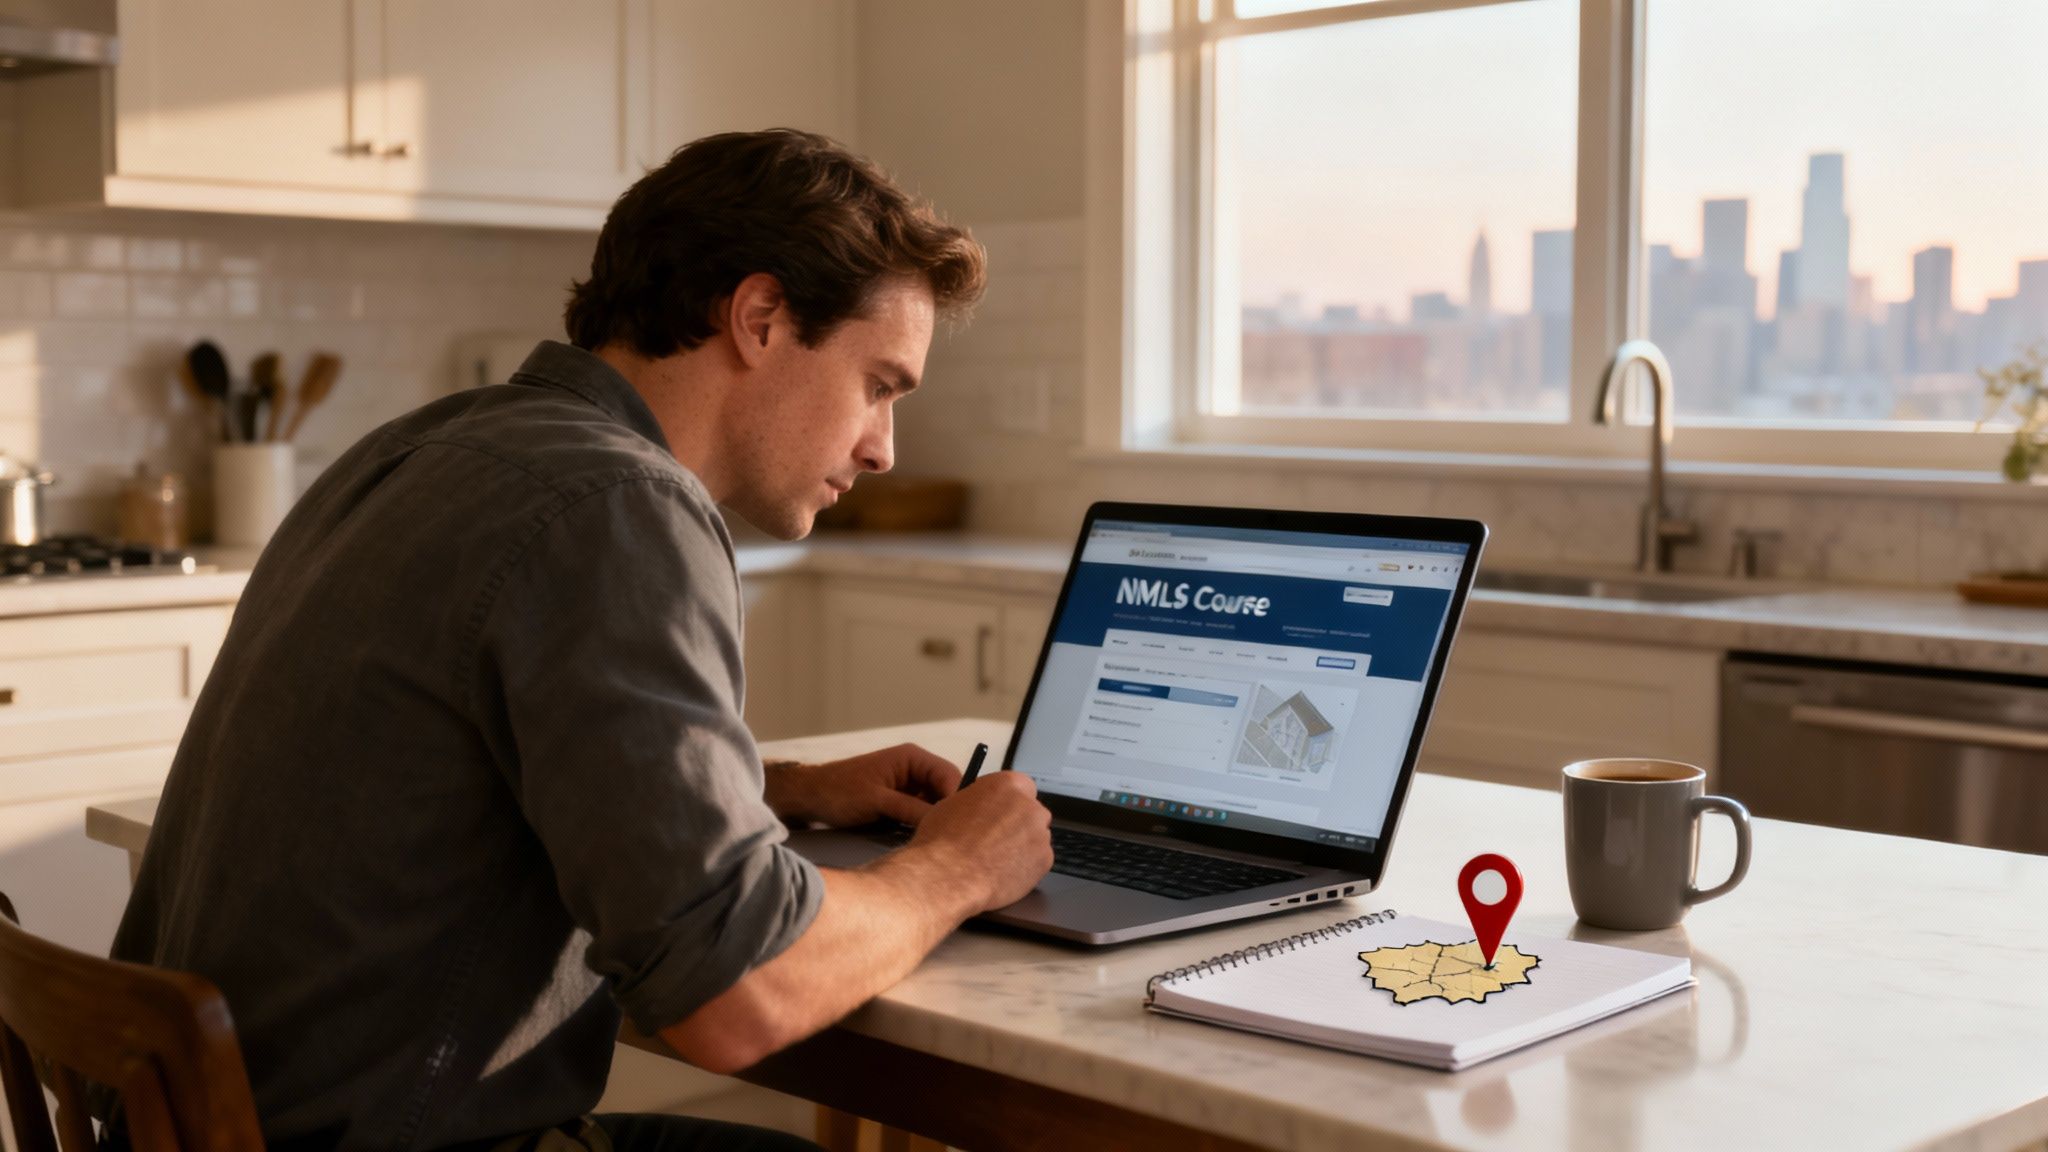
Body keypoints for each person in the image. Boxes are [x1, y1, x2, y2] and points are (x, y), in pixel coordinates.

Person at [100, 129, 1056, 1152]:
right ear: (761, 318)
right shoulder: (619, 503)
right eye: (878, 384)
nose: (882, 448)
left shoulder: (420, 447)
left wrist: (774, 788)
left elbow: (452, 765)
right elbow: (736, 995)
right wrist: (955, 870)